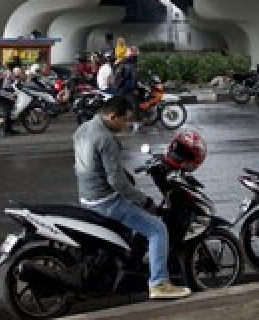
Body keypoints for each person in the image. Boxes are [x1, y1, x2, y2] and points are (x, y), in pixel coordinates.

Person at [73, 95, 191, 301]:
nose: (127, 124)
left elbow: (87, 164)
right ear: (112, 116)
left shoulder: (82, 130)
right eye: (124, 119)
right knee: (157, 229)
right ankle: (159, 284)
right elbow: (117, 183)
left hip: (86, 196)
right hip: (106, 201)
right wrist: (144, 200)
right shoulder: (106, 139)